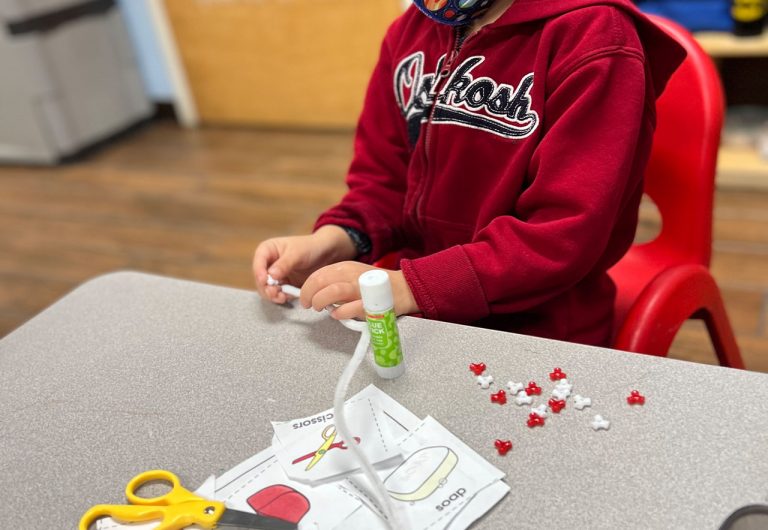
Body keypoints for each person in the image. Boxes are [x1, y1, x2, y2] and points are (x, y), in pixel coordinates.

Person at [253, 0, 685, 347]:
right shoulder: (410, 33)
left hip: (542, 331)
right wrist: (337, 239)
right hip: (414, 306)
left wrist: (416, 287)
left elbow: (563, 234)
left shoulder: (594, 36)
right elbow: (384, 183)